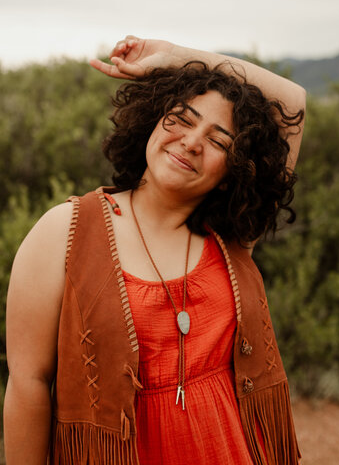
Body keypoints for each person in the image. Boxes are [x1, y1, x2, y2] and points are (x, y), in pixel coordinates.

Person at [4, 35, 306, 464]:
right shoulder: (66, 230)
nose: (191, 141)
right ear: (152, 120)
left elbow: (293, 100)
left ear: (232, 170)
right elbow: (29, 383)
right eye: (181, 118)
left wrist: (175, 55)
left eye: (219, 141)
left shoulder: (231, 238)